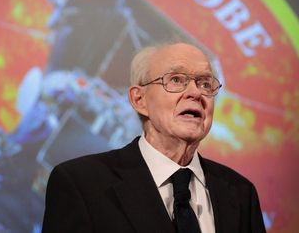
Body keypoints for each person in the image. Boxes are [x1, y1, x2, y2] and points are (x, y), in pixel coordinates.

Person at [42, 42, 266, 233]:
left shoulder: (240, 193)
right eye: (177, 80)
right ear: (140, 100)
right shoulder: (81, 184)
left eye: (205, 84)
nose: (196, 93)